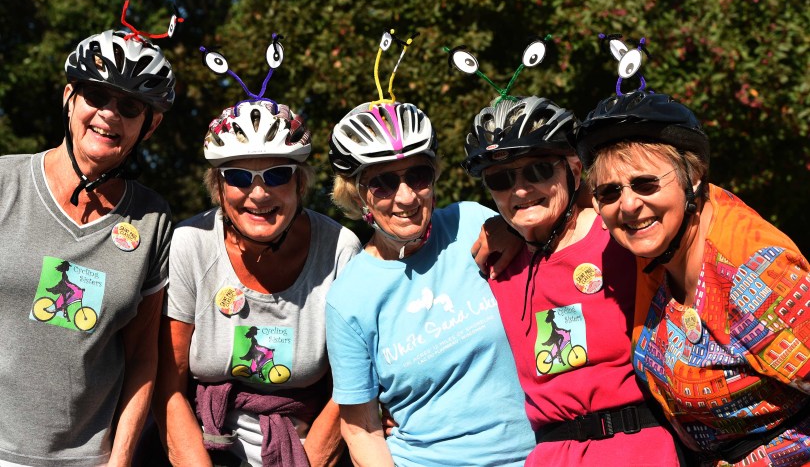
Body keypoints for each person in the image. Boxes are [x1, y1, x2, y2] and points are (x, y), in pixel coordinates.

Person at [457, 44, 679, 465]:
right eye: (501, 179)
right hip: (551, 454)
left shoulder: (621, 235)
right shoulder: (497, 262)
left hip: (638, 446)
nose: (520, 189)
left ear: (573, 168)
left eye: (538, 170)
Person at [324, 30, 534, 467]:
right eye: (381, 182)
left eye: (417, 175)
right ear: (358, 195)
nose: (404, 196)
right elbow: (360, 426)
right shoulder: (349, 298)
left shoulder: (473, 222)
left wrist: (519, 229)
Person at [573, 86, 810, 465]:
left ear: (693, 176)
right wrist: (501, 228)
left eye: (646, 183)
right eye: (610, 192)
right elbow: (553, 204)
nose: (629, 205)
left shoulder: (756, 273)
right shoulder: (653, 246)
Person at [152, 40, 361, 467]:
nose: (259, 193)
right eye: (240, 176)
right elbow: (168, 386)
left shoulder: (340, 250)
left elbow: (352, 387)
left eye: (278, 174)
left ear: (301, 182)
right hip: (206, 442)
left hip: (302, 446)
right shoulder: (190, 243)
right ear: (218, 185)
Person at [0, 0, 175, 465]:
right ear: (68, 97)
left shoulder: (154, 219)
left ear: (149, 126)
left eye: (131, 106)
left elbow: (143, 358)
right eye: (96, 95)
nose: (109, 114)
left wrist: (119, 460)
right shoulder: (5, 181)